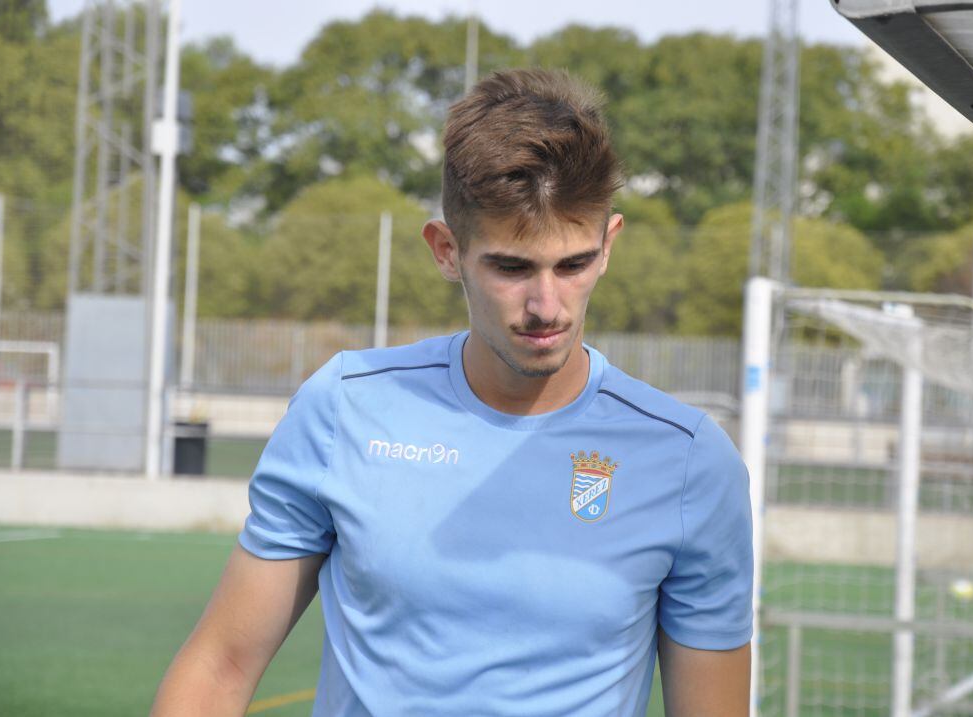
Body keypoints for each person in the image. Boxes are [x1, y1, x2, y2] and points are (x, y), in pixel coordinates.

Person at [151, 68, 753, 717]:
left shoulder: (689, 462)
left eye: (573, 264)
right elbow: (220, 666)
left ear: (608, 247)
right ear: (446, 250)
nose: (546, 304)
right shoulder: (344, 408)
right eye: (511, 267)